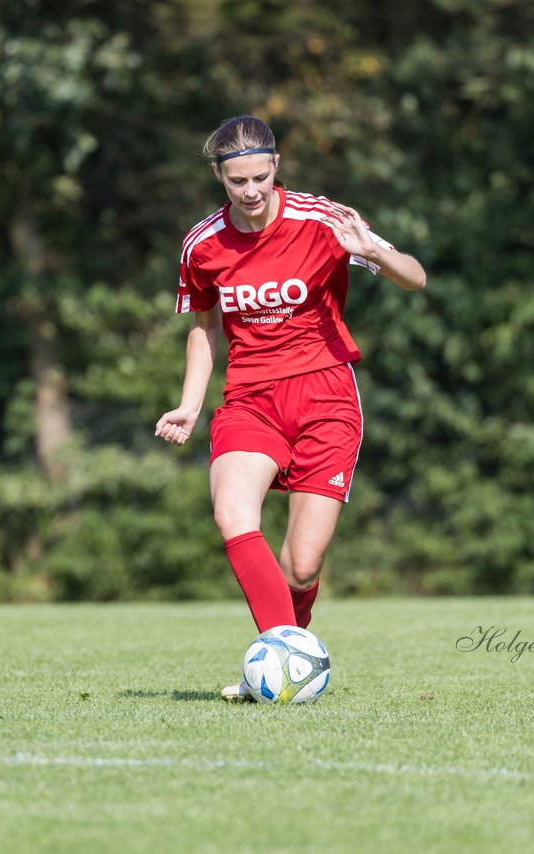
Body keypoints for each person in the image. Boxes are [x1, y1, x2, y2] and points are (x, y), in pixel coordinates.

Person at [154, 115, 426, 701]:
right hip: (250, 400)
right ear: (219, 178)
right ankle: (281, 662)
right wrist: (189, 404)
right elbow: (204, 328)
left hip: (326, 397)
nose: (250, 191)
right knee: (233, 517)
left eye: (259, 176)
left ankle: (284, 663)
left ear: (275, 165)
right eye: (236, 181)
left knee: (301, 567)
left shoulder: (323, 220)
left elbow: (416, 278)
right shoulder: (202, 245)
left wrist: (372, 248)